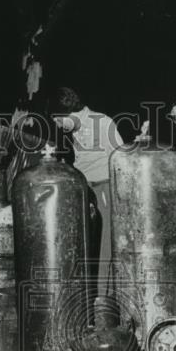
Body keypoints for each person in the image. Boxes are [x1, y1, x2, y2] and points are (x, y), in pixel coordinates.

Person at [51, 87, 123, 296]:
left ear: (69, 113)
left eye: (57, 119)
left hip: (105, 188)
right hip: (85, 189)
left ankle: (104, 300)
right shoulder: (74, 129)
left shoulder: (103, 122)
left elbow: (120, 159)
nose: (56, 124)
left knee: (105, 248)